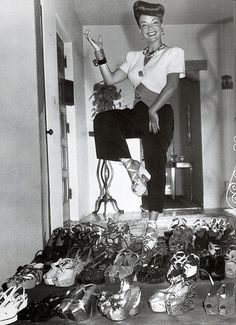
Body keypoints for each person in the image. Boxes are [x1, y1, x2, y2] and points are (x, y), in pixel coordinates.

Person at [84, 1, 185, 250]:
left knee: (156, 161)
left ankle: (152, 226)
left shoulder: (174, 53)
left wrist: (153, 109)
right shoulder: (133, 57)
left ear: (162, 28)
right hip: (139, 112)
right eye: (144, 25)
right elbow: (108, 80)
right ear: (139, 31)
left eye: (155, 23)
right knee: (103, 120)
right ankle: (131, 166)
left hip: (160, 113)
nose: (150, 28)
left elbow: (172, 85)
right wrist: (100, 53)